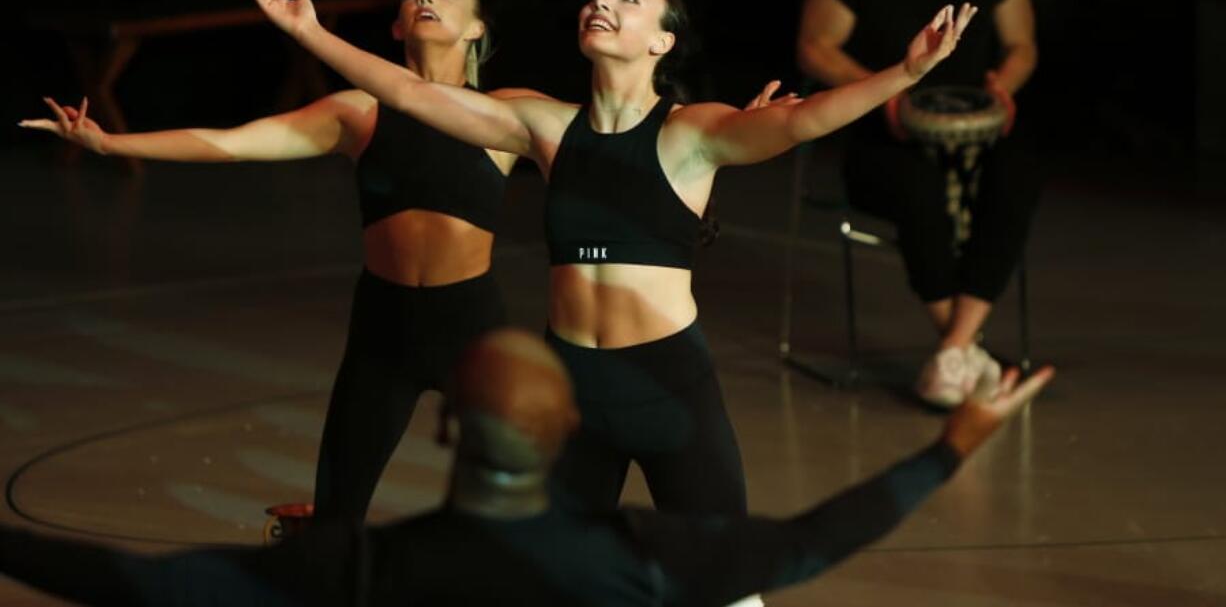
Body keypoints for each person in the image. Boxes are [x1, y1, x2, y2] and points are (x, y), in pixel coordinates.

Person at [242, 0, 978, 522]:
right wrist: (309, 33)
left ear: (662, 41)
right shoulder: (546, 126)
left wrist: (908, 71)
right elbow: (413, 96)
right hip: (572, 391)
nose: (604, 3)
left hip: (666, 383)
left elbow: (804, 120)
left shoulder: (691, 133)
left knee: (722, 578)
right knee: (551, 579)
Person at [0, 327, 1055, 606]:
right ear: (562, 441)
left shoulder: (358, 570)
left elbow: (139, 583)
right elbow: (812, 539)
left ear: (445, 428)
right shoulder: (645, 560)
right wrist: (948, 444)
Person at [20, 0, 529, 522]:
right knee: (338, 511)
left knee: (513, 509)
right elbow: (232, 143)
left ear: (476, 28)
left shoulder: (504, 114)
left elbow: (597, 132)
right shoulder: (357, 114)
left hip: (472, 326)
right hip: (386, 328)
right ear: (397, 29)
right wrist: (110, 143)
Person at [797, 0, 1042, 408]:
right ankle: (963, 350)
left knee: (1020, 171)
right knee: (916, 186)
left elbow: (1023, 46)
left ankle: (955, 351)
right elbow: (814, 47)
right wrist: (883, 93)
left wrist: (1003, 87)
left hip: (976, 133)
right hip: (891, 135)